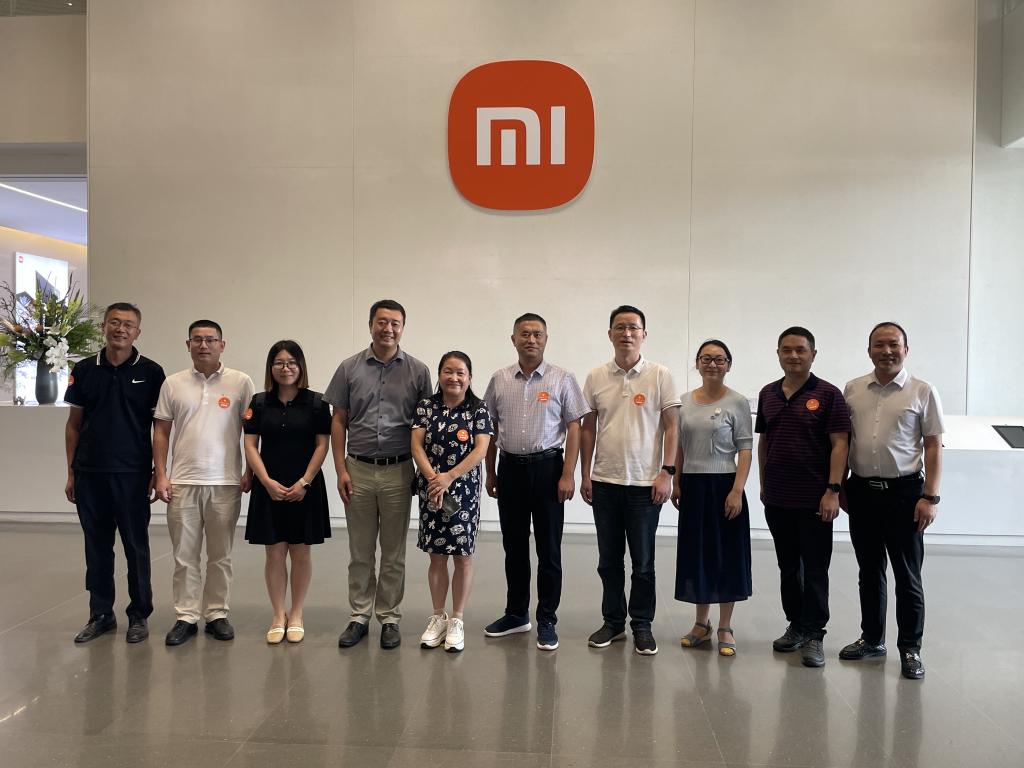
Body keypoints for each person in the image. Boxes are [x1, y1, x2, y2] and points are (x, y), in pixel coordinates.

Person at [325, 299, 432, 649]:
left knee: (393, 552)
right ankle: (359, 615)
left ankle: (389, 617)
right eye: (382, 322)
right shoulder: (349, 368)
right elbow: (338, 420)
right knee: (360, 550)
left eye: (395, 323)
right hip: (357, 469)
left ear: (403, 328)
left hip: (399, 471)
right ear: (370, 325)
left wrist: (424, 471)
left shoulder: (418, 371)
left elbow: (425, 425)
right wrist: (340, 468)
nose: (388, 329)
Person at [840, 322, 944, 680]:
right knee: (869, 572)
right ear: (869, 350)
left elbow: (933, 446)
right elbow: (845, 441)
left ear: (905, 349)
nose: (887, 351)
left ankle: (910, 648)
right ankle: (872, 639)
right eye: (879, 345)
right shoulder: (853, 389)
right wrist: (840, 486)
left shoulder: (922, 391)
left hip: (905, 495)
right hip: (862, 492)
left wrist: (930, 496)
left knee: (907, 576)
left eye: (894, 344)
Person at [483, 313, 589, 651]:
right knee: (513, 546)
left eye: (537, 334)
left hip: (548, 470)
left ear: (546, 339)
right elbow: (489, 428)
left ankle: (547, 619)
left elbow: (575, 426)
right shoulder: (499, 379)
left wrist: (568, 473)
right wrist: (490, 471)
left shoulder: (562, 378)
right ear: (513, 339)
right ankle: (516, 613)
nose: (531, 339)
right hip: (510, 469)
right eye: (525, 334)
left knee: (549, 549)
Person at [580, 305, 680, 656]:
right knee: (608, 560)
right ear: (610, 334)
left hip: (644, 485)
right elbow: (588, 428)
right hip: (605, 482)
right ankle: (612, 622)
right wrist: (585, 474)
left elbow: (672, 427)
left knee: (643, 562)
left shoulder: (660, 375)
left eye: (633, 328)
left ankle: (642, 624)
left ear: (643, 334)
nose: (627, 333)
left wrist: (667, 472)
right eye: (620, 327)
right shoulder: (596, 376)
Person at [63, 302, 165, 643]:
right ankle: (101, 614)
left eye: (128, 324)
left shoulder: (151, 372)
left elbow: (160, 428)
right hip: (90, 473)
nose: (120, 329)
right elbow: (73, 425)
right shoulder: (84, 369)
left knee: (136, 546)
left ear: (138, 332)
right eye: (114, 322)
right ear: (103, 327)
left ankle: (139, 614)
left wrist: (158, 471)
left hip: (133, 474)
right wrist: (71, 472)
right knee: (96, 547)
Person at [153, 320, 254, 647]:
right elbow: (161, 432)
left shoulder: (241, 382)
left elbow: (252, 433)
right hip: (182, 482)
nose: (203, 345)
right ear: (188, 345)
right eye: (197, 340)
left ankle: (216, 614)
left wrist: (250, 470)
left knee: (220, 555)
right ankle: (185, 616)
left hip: (225, 482)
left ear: (222, 345)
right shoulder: (173, 383)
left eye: (210, 340)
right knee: (184, 556)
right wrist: (161, 474)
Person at [755, 327, 850, 667]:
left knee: (815, 569)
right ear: (778, 354)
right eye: (786, 350)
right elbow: (765, 441)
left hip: (815, 500)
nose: (793, 355)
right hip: (778, 499)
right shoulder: (768, 394)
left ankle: (814, 634)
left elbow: (840, 444)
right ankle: (795, 624)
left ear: (813, 354)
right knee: (788, 567)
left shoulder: (829, 394)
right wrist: (764, 484)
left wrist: (833, 491)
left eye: (800, 350)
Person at [243, 340, 332, 644]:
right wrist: (265, 481)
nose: (286, 368)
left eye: (291, 362)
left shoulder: (317, 402)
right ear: (271, 367)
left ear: (301, 366)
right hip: (269, 485)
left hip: (305, 486)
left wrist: (305, 481)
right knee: (274, 551)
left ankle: (296, 613)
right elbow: (250, 445)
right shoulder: (258, 402)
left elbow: (322, 445)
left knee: (300, 551)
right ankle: (277, 615)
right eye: (279, 362)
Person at [673, 339, 753, 657]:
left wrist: (737, 490)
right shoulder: (683, 402)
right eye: (706, 358)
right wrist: (676, 481)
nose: (712, 364)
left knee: (726, 555)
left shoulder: (738, 402)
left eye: (720, 359)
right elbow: (679, 446)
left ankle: (725, 626)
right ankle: (700, 624)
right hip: (693, 486)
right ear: (697, 363)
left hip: (724, 486)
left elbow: (745, 449)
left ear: (728, 365)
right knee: (698, 554)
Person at [412, 351, 494, 653]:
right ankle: (438, 617)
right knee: (436, 556)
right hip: (432, 489)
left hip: (463, 492)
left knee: (462, 556)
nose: (454, 378)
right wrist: (434, 479)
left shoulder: (478, 409)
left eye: (461, 372)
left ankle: (457, 619)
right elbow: (416, 445)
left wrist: (449, 477)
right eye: (448, 371)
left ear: (470, 378)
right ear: (439, 375)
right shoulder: (426, 406)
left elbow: (481, 450)